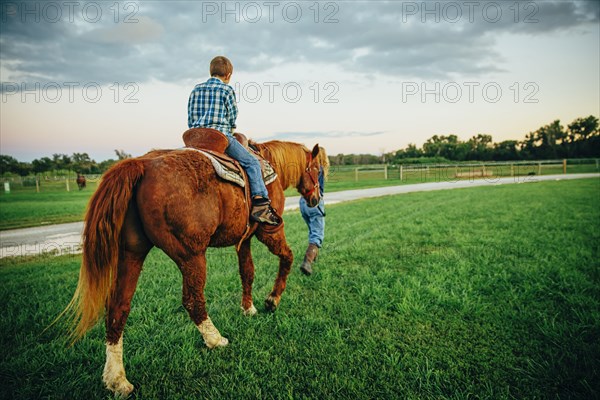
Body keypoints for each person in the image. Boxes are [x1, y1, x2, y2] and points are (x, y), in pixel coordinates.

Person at [188, 56, 280, 225]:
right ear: (228, 74)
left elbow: (190, 117)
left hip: (195, 138)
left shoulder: (195, 89)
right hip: (219, 138)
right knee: (252, 162)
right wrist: (230, 129)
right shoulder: (226, 90)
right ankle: (261, 204)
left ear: (211, 71)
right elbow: (232, 117)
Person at [299, 148, 328, 275]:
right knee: (317, 235)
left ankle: (314, 256)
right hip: (314, 202)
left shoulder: (307, 168)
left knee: (312, 230)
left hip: (302, 202)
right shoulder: (319, 168)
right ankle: (307, 262)